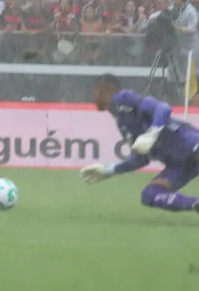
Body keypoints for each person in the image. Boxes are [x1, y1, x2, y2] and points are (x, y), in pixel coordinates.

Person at [80, 74, 199, 214]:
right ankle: (194, 204)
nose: (94, 96)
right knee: (149, 194)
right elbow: (141, 159)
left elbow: (162, 108)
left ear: (104, 89)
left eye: (96, 90)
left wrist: (152, 133)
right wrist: (108, 170)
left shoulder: (122, 98)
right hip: (179, 165)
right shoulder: (121, 121)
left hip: (191, 145)